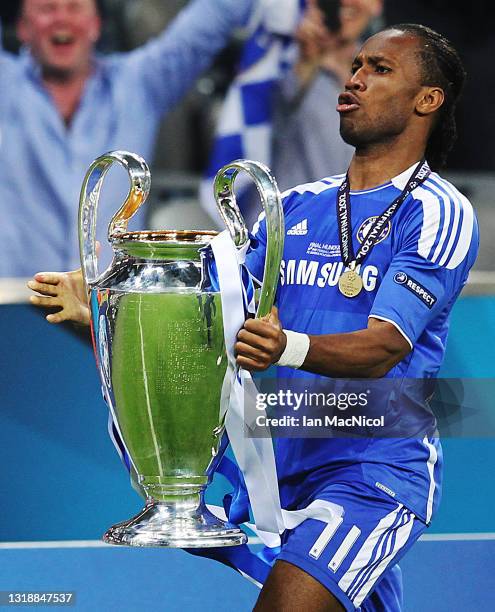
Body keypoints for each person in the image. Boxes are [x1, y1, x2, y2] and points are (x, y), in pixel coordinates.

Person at [29, 23, 478, 611]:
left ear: (428, 100)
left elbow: (384, 347)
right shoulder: (293, 207)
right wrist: (103, 303)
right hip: (279, 467)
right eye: (357, 65)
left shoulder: (438, 212)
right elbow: (209, 316)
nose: (355, 78)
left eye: (380, 69)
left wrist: (286, 347)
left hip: (372, 474)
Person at [0, 0, 254, 277]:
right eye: (47, 9)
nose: (62, 19)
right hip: (13, 302)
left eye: (74, 7)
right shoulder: (6, 85)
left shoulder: (140, 83)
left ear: (96, 25)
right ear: (23, 28)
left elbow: (209, 21)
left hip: (110, 302)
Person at [271, 0, 383, 192]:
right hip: (290, 216)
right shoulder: (281, 57)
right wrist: (306, 60)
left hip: (354, 216)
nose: (346, 2)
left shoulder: (387, 72)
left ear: (376, 5)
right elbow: (273, 107)